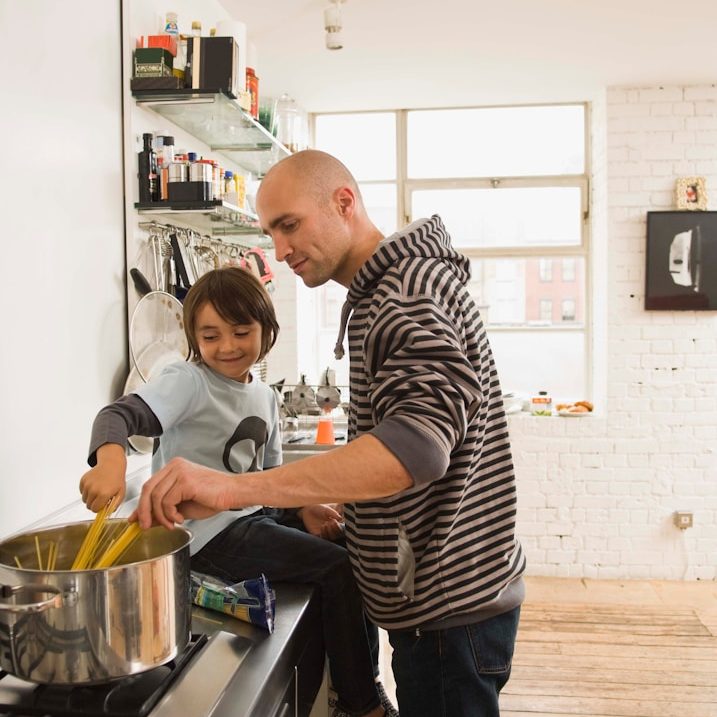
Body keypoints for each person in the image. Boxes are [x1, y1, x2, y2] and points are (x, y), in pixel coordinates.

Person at [133, 150, 527, 717]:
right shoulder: (389, 290)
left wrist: (232, 488)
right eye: (271, 233)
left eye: (290, 225)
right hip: (447, 600)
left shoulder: (404, 294)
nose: (280, 250)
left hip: (448, 606)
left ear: (344, 203)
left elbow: (414, 449)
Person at [80, 266, 394, 717]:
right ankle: (359, 705)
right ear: (194, 338)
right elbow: (117, 416)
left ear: (267, 330)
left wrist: (305, 508)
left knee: (353, 548)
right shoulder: (188, 381)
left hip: (251, 517)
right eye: (210, 336)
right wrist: (110, 465)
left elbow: (269, 477)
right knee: (337, 569)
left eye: (241, 332)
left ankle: (367, 682)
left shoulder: (264, 395)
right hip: (205, 535)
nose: (227, 346)